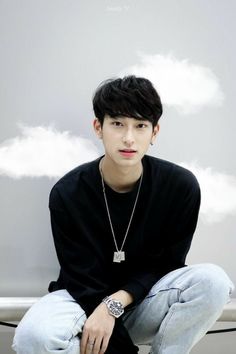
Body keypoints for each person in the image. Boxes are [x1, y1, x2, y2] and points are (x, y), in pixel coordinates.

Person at [12, 75, 234, 354]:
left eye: (140, 126)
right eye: (117, 124)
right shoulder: (68, 192)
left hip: (146, 299)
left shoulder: (179, 186)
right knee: (33, 338)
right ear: (98, 127)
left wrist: (114, 304)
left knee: (214, 282)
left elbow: (168, 265)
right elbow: (81, 278)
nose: (129, 138)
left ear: (154, 132)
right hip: (81, 299)